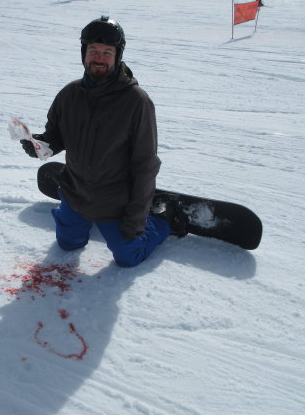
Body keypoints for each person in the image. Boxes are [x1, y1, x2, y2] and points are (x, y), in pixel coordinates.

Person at [20, 16, 187, 268]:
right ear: (83, 53)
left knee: (128, 257)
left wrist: (135, 219)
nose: (99, 58)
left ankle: (162, 218)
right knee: (68, 244)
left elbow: (145, 164)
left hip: (115, 201)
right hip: (76, 192)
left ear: (117, 56)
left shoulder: (136, 102)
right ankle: (74, 216)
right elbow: (56, 136)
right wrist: (40, 146)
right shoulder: (69, 94)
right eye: (93, 51)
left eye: (107, 52)